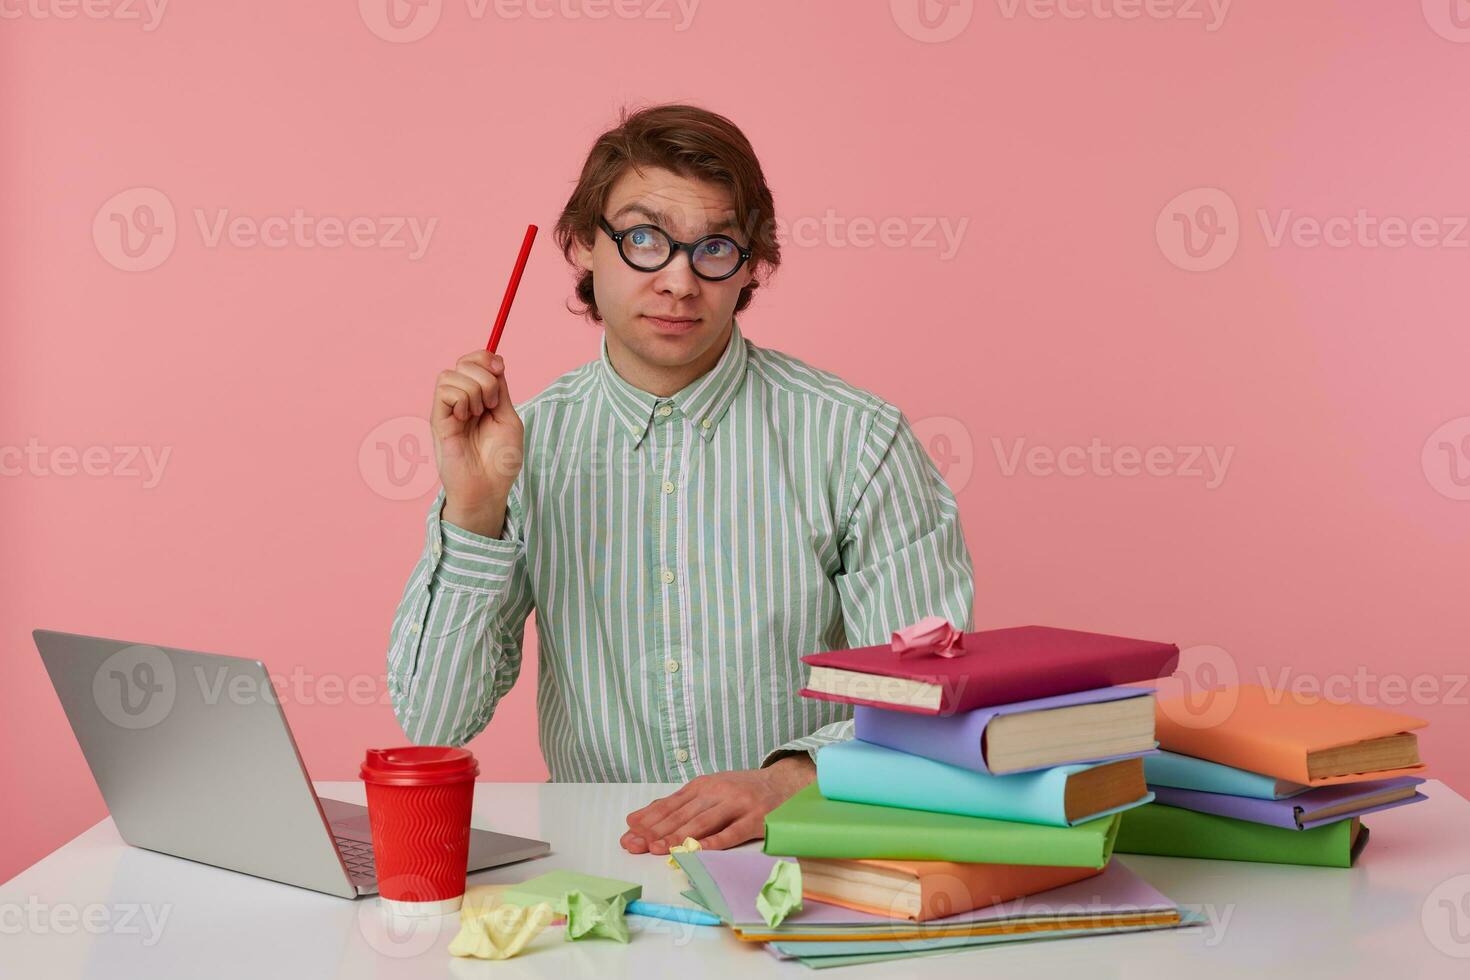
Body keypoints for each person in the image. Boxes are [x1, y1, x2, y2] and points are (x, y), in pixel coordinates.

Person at [386, 103, 974, 855]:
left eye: (716, 247)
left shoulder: (858, 440)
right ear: (583, 248)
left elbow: (924, 695)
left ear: (750, 266)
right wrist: (475, 511)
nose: (678, 280)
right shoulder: (520, 445)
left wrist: (789, 779)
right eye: (642, 239)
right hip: (603, 862)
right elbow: (433, 722)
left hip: (802, 852)